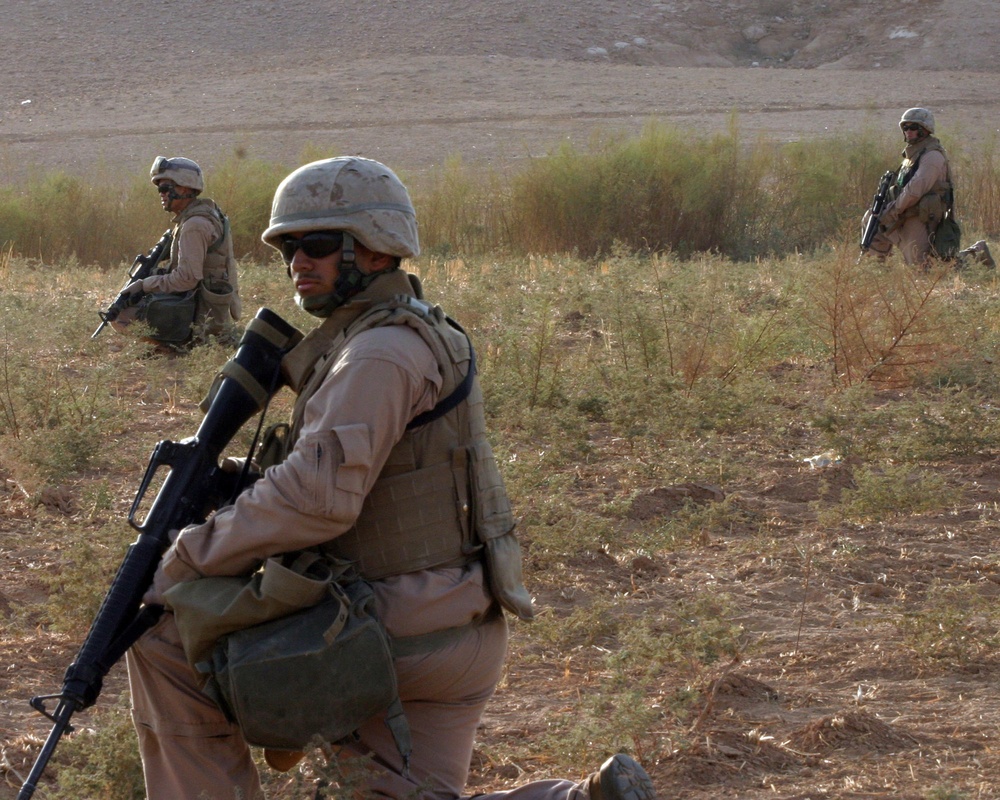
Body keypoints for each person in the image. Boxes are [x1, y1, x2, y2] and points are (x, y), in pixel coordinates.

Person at [125, 156, 659, 800]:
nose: (300, 261)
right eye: (291, 246)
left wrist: (187, 557)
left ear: (377, 251)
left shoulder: (376, 353)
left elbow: (317, 501)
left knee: (163, 640)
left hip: (388, 628)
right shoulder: (410, 332)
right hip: (456, 628)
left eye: (319, 245)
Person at [112, 156, 241, 345]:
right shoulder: (205, 215)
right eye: (159, 189)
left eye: (165, 189)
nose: (161, 194)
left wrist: (145, 284)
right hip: (204, 307)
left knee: (121, 316)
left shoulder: (194, 226)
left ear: (185, 188)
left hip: (199, 314)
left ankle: (175, 348)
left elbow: (186, 279)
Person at [863, 107, 964, 267]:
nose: (908, 131)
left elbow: (915, 190)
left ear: (925, 130)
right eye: (905, 127)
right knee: (871, 220)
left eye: (913, 128)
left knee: (922, 267)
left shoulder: (932, 156)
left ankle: (975, 255)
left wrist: (893, 211)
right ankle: (876, 271)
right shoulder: (910, 157)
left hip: (922, 218)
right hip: (904, 213)